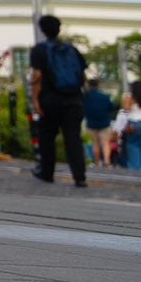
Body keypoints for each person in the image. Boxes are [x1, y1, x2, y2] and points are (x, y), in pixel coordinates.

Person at [26, 14, 87, 187]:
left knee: (47, 136)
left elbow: (37, 76)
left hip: (51, 100)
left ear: (43, 30)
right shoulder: (72, 49)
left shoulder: (40, 50)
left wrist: (36, 100)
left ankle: (47, 172)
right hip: (74, 100)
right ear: (59, 29)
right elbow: (82, 75)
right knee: (73, 138)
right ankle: (80, 176)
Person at [83, 77, 118, 170]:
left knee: (95, 144)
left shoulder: (86, 97)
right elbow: (111, 108)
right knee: (105, 143)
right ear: (98, 86)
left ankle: (97, 162)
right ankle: (107, 161)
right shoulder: (105, 96)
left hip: (91, 123)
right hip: (104, 122)